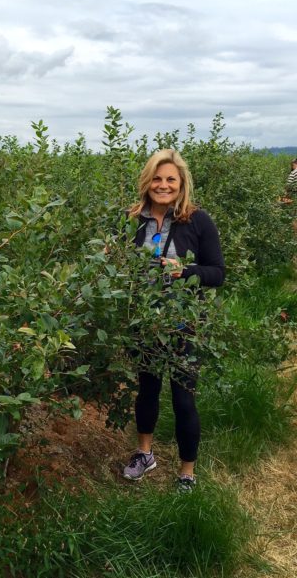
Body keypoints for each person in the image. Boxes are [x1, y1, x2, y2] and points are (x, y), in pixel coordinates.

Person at [122, 149, 225, 491]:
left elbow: (217, 273)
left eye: (170, 179)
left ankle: (187, 472)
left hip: (184, 323)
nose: (163, 185)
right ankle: (144, 453)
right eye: (157, 178)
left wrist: (185, 271)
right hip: (146, 322)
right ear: (146, 181)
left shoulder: (197, 221)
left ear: (181, 185)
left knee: (183, 399)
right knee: (147, 390)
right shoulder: (133, 219)